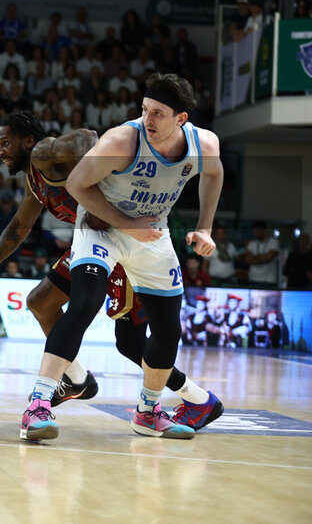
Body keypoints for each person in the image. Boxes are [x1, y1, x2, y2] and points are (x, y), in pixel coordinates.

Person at [12, 75, 223, 441]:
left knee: (169, 329)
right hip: (102, 227)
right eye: (144, 110)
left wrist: (205, 228)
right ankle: (38, 406)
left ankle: (147, 412)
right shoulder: (122, 140)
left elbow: (214, 174)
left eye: (158, 113)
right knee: (85, 302)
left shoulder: (204, 144)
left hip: (152, 233)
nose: (148, 120)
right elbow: (78, 184)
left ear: (181, 119)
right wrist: (127, 223)